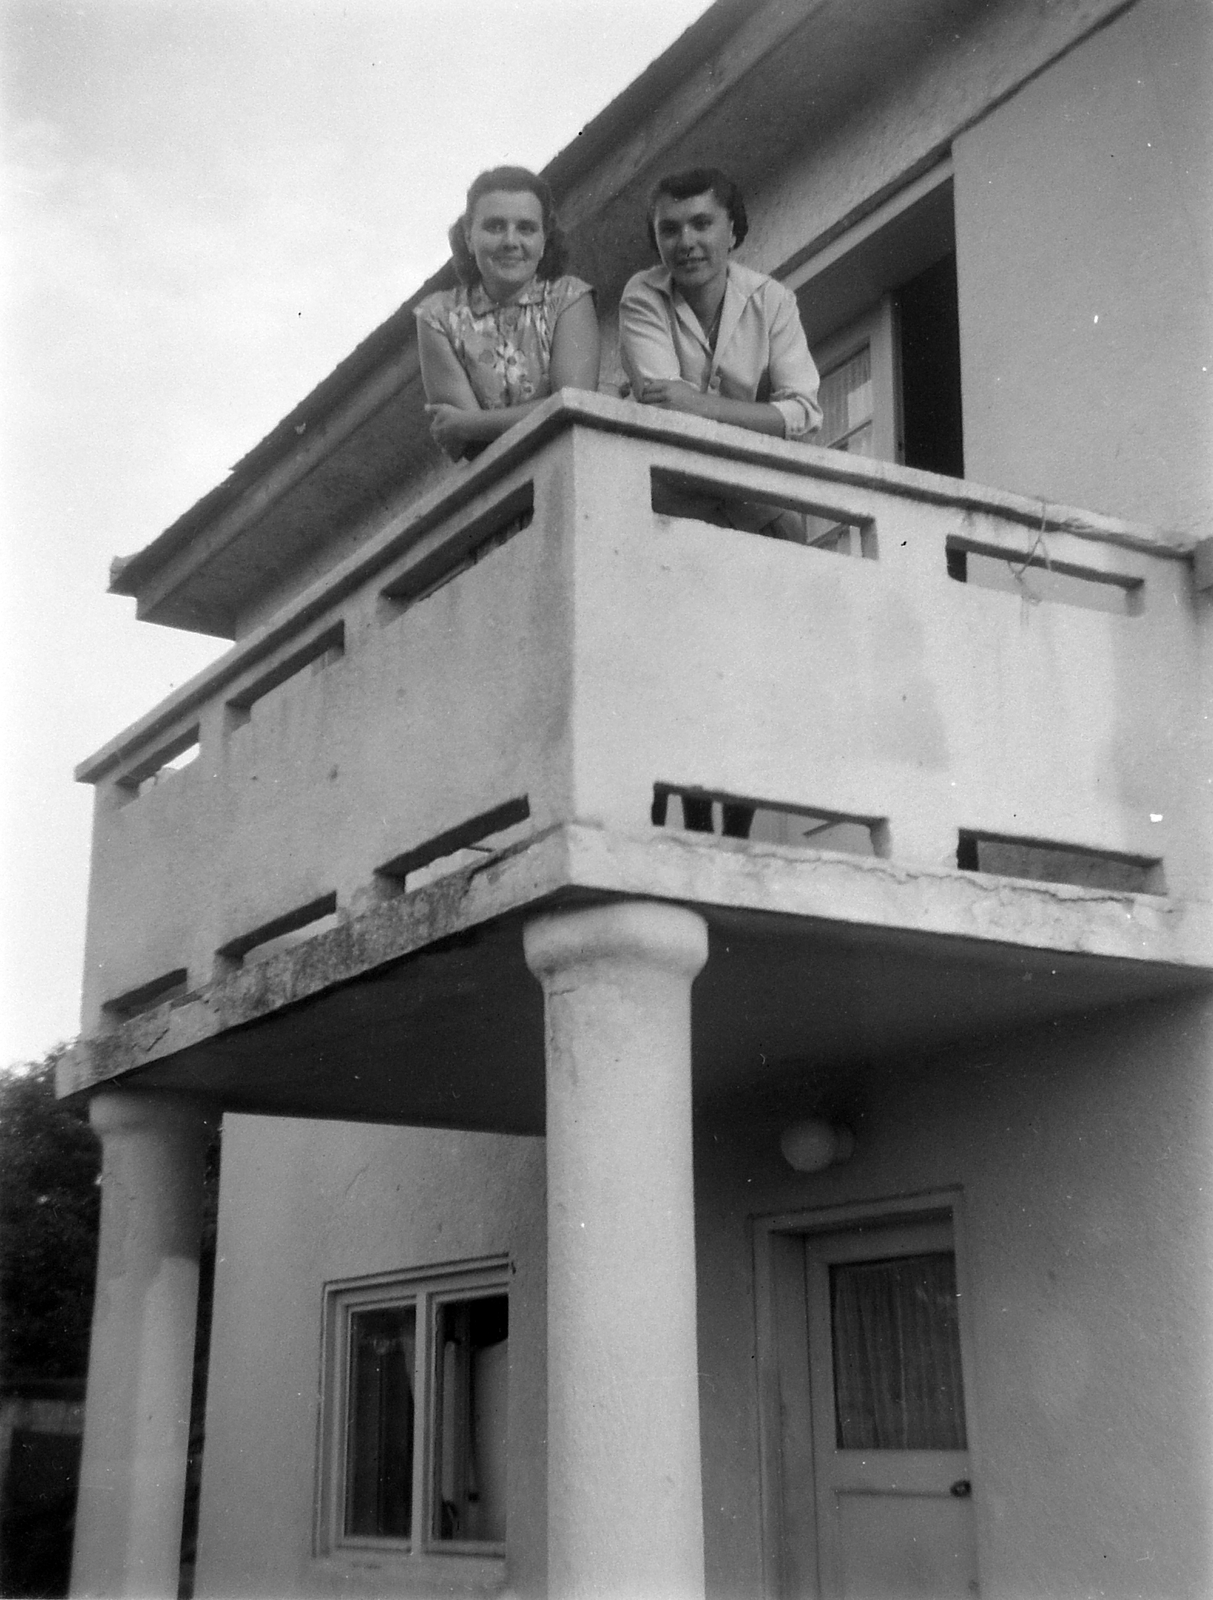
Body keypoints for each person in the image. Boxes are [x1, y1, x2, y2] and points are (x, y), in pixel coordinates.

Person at [621, 168, 823, 840]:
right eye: (669, 229)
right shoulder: (641, 297)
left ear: (732, 229)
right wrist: (741, 415)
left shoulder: (772, 302)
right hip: (672, 506)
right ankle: (669, 822)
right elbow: (659, 406)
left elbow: (802, 412)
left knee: (754, 672)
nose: (686, 242)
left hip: (753, 508)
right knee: (673, 670)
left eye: (702, 224)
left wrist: (701, 405)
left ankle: (733, 830)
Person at [416, 167, 600, 460]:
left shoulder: (569, 298)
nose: (511, 242)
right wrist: (471, 430)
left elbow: (575, 408)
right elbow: (472, 448)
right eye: (495, 227)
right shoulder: (438, 317)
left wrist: (471, 424)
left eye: (526, 228)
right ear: (468, 237)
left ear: (544, 240)